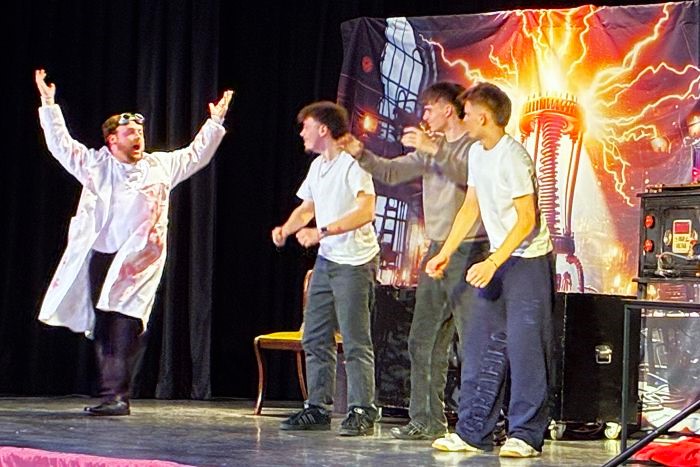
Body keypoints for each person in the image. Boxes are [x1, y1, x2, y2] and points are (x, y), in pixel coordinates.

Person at [34, 69, 233, 416]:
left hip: (139, 259)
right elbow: (61, 145)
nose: (138, 137)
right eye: (130, 133)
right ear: (112, 140)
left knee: (124, 322)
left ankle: (117, 396)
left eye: (140, 132)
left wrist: (214, 122)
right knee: (102, 325)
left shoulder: (160, 166)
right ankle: (112, 392)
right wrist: (49, 104)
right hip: (101, 254)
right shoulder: (95, 164)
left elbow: (196, 154)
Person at [341, 82, 489, 440]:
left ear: (448, 110)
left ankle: (481, 425)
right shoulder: (429, 148)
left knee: (473, 341)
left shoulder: (474, 145)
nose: (424, 115)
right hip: (436, 250)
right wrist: (360, 152)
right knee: (422, 338)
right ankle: (427, 420)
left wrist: (433, 148)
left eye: (429, 108)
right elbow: (391, 172)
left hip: (471, 249)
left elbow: (469, 177)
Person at [426, 82, 554, 458]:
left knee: (526, 347)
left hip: (528, 261)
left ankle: (525, 435)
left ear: (483, 117)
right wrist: (445, 252)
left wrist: (494, 262)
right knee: (480, 344)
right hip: (499, 259)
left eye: (466, 113)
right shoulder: (477, 154)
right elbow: (472, 206)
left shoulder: (513, 157)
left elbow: (527, 219)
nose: (462, 118)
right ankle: (472, 432)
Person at [272, 101, 380, 436]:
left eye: (306, 126)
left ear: (323, 129)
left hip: (355, 261)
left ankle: (362, 409)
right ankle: (317, 407)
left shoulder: (353, 163)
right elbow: (308, 208)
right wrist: (286, 229)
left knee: (355, 339)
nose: (301, 133)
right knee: (315, 334)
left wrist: (322, 232)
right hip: (328, 260)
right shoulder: (318, 166)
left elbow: (366, 211)